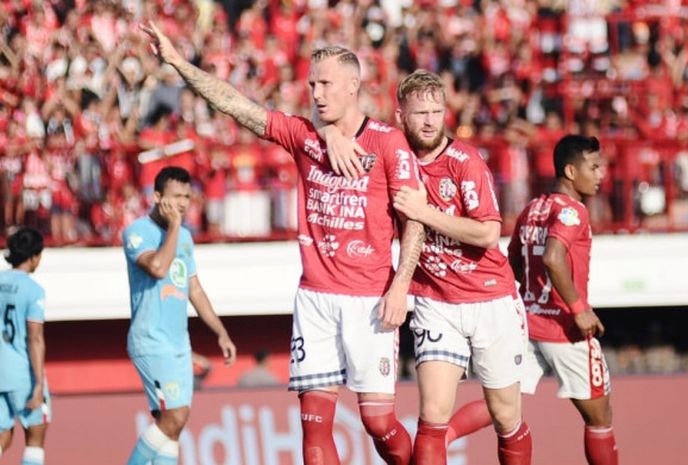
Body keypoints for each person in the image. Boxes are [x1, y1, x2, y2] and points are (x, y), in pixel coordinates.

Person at [141, 22, 425, 465]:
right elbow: (237, 105)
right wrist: (179, 63)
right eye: (312, 84)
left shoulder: (389, 144)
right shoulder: (305, 136)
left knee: (378, 423)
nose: (316, 93)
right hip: (315, 298)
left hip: (370, 299)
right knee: (313, 428)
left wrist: (401, 286)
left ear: (353, 86)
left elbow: (415, 224)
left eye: (326, 83)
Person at [324, 69, 531, 465]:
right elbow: (341, 125)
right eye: (421, 113)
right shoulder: (391, 153)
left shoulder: (465, 162)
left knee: (506, 415)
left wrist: (425, 213)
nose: (431, 120)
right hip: (436, 302)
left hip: (490, 298)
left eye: (437, 111)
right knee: (431, 419)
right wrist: (332, 133)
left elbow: (488, 233)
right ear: (401, 115)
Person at [507, 135, 618, 465]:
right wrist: (578, 308)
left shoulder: (532, 208)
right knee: (600, 417)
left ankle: (438, 441)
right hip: (564, 329)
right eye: (594, 167)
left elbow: (514, 258)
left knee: (501, 408)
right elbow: (554, 257)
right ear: (571, 171)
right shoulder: (573, 212)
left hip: (528, 324)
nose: (601, 174)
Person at [122, 166, 236, 465]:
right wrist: (173, 228)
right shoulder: (137, 232)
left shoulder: (185, 237)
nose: (183, 204)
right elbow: (158, 267)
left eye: (187, 196)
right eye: (176, 196)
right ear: (157, 197)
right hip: (150, 340)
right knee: (175, 416)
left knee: (173, 426)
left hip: (179, 344)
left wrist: (220, 332)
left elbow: (194, 290)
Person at [0, 227, 50, 465]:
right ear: (35, 256)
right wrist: (39, 384)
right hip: (22, 374)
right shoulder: (34, 290)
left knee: (2, 435)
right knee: (36, 434)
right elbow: (35, 338)